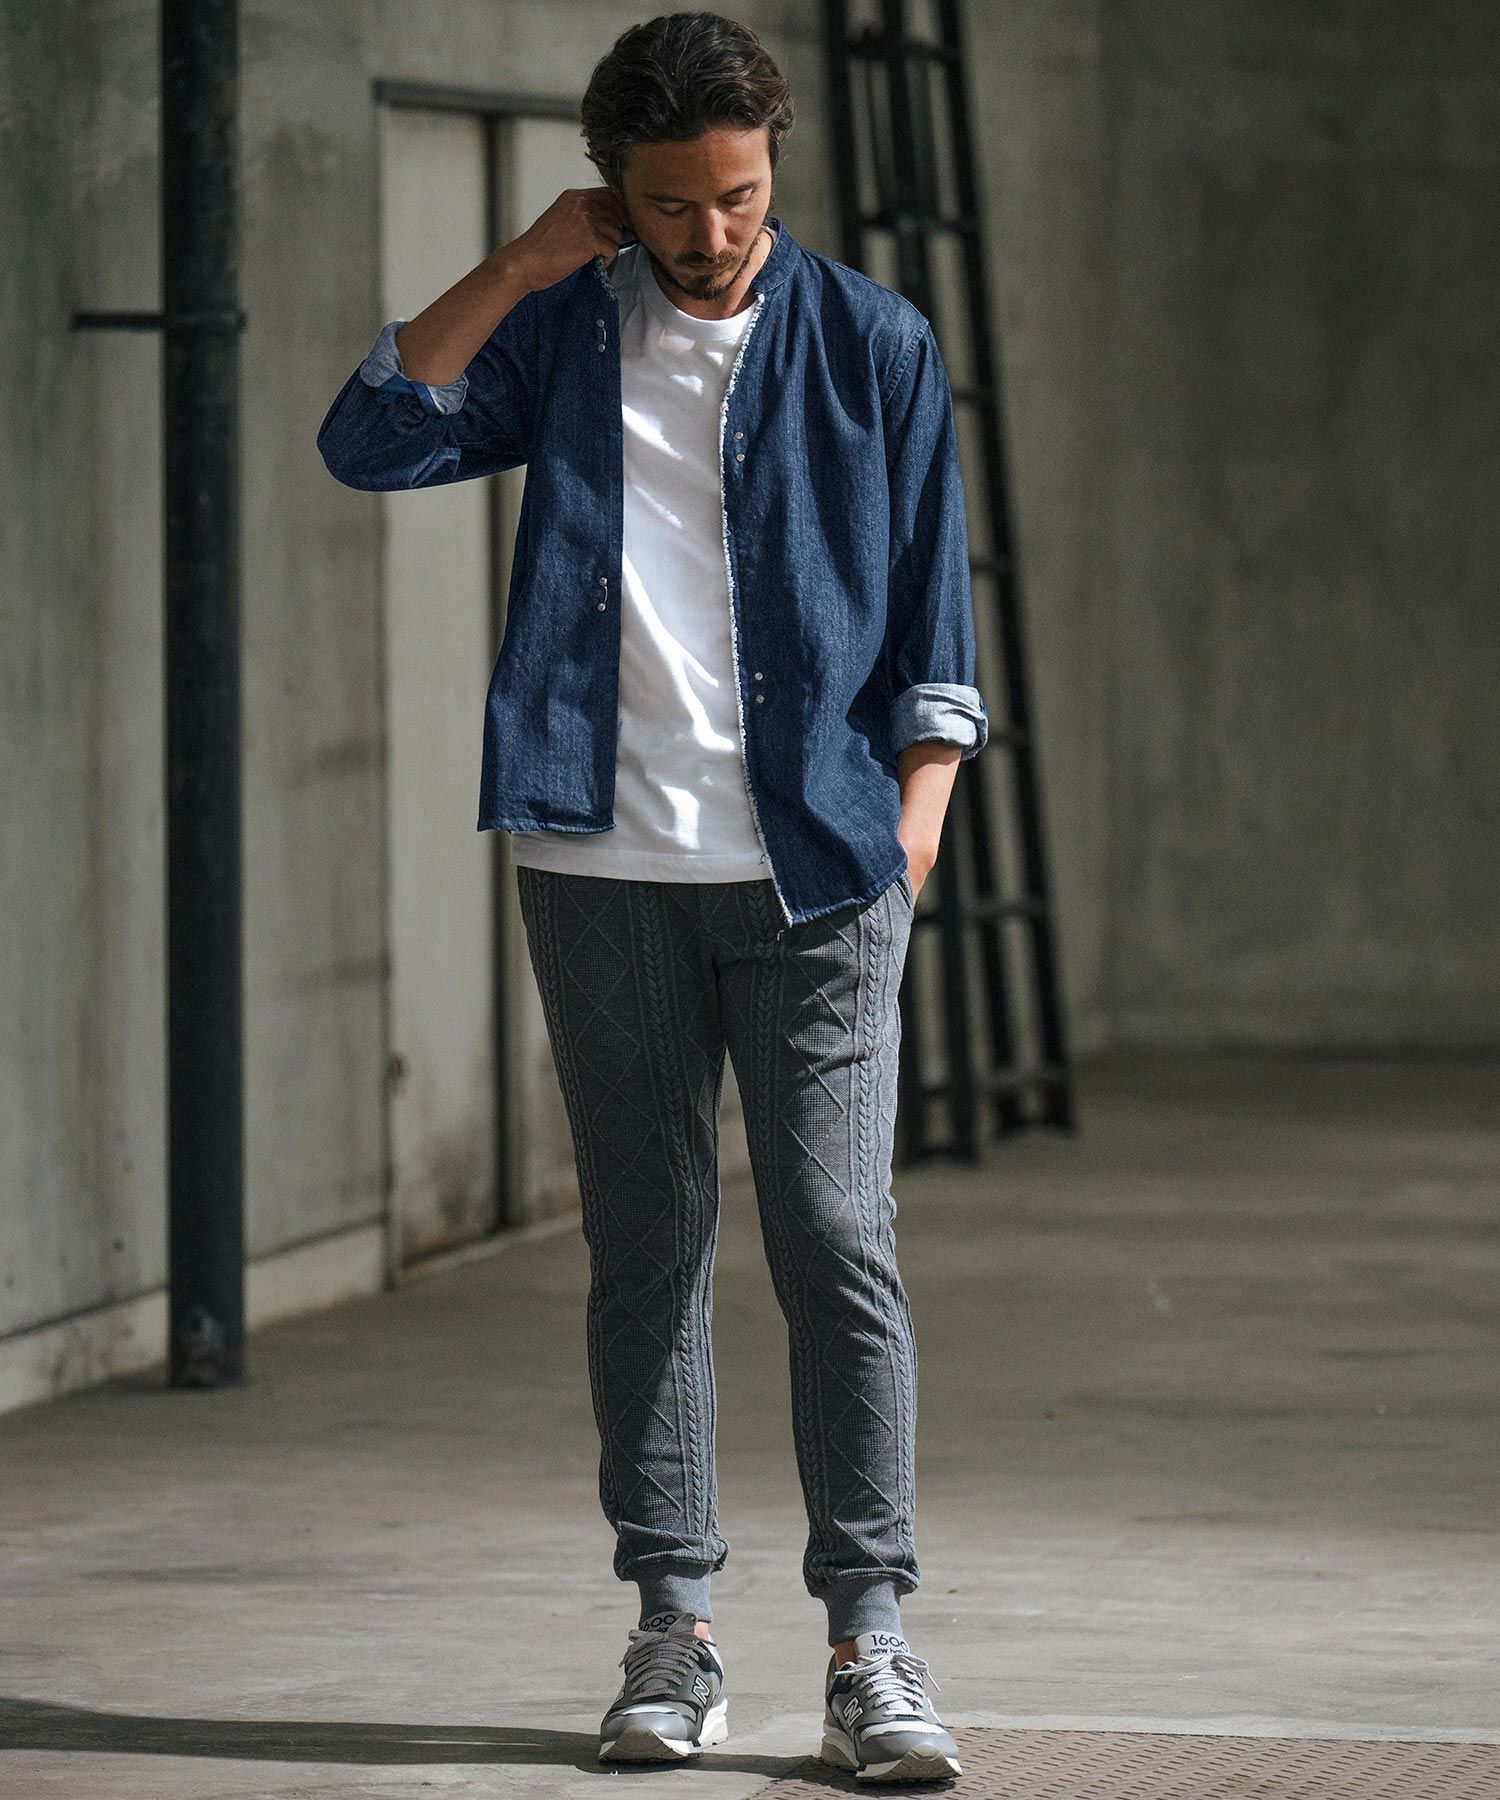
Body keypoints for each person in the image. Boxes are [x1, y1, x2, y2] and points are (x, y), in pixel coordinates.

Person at [317, 11, 986, 1783]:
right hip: (598, 867)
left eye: (740, 196)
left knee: (835, 1238)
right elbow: (371, 437)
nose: (713, 234)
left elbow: (937, 617)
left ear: (776, 169)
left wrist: (914, 830)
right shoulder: (562, 328)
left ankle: (871, 1641)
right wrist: (523, 261)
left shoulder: (873, 341)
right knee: (650, 1245)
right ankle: (671, 1629)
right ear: (615, 189)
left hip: (821, 871)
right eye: (674, 203)